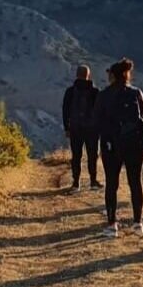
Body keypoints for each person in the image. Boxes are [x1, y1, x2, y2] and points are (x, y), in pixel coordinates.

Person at [92, 59, 143, 237]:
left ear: (113, 76)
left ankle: (112, 225)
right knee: (135, 182)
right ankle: (138, 223)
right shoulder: (136, 93)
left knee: (112, 184)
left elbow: (96, 122)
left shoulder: (103, 95)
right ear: (127, 75)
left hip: (111, 145)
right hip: (134, 145)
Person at [60, 64, 100, 192]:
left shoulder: (70, 91)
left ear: (77, 75)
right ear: (88, 75)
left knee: (76, 156)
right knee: (92, 155)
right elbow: (100, 111)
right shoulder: (95, 92)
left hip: (75, 128)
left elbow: (65, 110)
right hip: (92, 129)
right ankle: (93, 181)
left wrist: (67, 127)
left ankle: (76, 183)